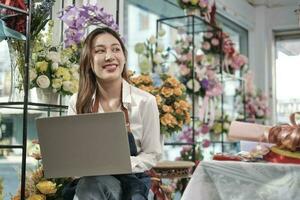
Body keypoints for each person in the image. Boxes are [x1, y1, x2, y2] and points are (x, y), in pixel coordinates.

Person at [67, 27, 162, 200]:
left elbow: (152, 154)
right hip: (90, 182)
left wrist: (120, 164)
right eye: (100, 51)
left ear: (124, 58)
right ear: (89, 60)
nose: (109, 56)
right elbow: (74, 156)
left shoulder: (145, 102)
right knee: (90, 184)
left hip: (134, 181)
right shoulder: (78, 102)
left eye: (116, 49)